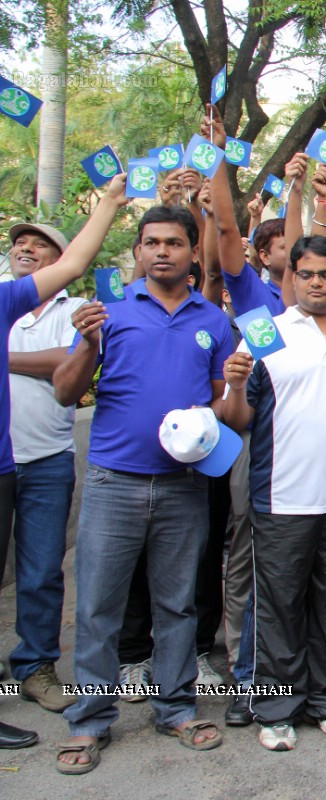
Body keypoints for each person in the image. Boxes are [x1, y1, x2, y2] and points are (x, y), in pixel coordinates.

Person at [53, 193, 234, 773]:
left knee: (177, 604)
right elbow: (64, 392)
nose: (162, 252)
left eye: (174, 243)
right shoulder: (108, 313)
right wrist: (86, 343)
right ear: (137, 253)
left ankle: (177, 708)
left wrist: (229, 387)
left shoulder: (213, 321)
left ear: (191, 255)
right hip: (113, 483)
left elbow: (218, 407)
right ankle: (89, 721)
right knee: (100, 607)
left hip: (183, 485)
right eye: (152, 243)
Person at [222, 235, 326, 751]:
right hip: (281, 500)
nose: (315, 283)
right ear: (290, 277)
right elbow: (237, 421)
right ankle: (275, 708)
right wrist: (232, 385)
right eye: (305, 274)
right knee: (278, 608)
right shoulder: (263, 333)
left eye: (325, 274)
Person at [6, 222, 84, 713]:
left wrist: (1, 356)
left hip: (46, 460)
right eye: (20, 243)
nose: (27, 250)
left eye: (41, 245)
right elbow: (47, 362)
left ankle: (36, 665)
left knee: (39, 571)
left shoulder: (73, 309)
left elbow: (67, 360)